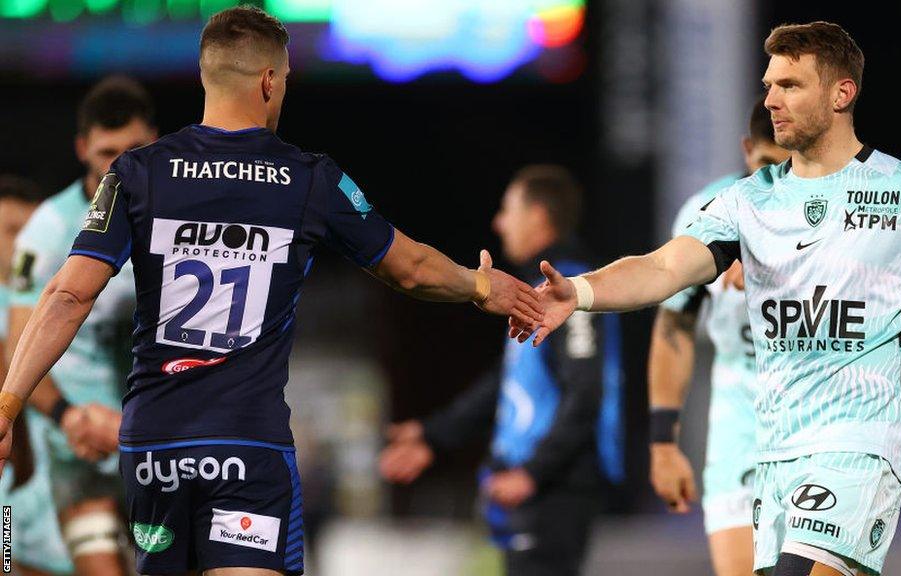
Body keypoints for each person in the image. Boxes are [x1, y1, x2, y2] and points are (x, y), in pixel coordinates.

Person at [0, 6, 543, 576]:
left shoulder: (136, 173)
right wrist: (482, 285)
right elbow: (409, 268)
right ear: (268, 80)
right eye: (283, 80)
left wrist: (8, 405)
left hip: (154, 448)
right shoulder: (309, 178)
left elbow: (66, 296)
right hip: (246, 444)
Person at [512, 21, 901, 576]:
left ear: (841, 94)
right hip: (773, 456)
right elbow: (661, 268)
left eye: (789, 85)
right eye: (768, 85)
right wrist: (580, 292)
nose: (770, 99)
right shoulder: (746, 203)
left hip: (857, 447)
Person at [380, 165, 622, 576]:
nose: (499, 222)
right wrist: (434, 435)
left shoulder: (571, 285)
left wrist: (534, 473)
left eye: (508, 209)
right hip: (524, 484)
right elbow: (505, 384)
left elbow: (586, 391)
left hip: (553, 486)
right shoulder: (537, 288)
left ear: (539, 215)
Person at [6, 77, 156, 576]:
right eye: (107, 152)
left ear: (155, 141)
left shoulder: (182, 223)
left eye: (134, 149)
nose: (121, 165)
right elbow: (17, 346)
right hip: (75, 450)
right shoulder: (49, 229)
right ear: (82, 150)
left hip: (158, 446)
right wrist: (69, 416)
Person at [647, 99, 788, 576]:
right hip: (740, 427)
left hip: (824, 426)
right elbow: (674, 325)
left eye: (789, 165)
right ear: (747, 151)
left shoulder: (840, 207)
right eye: (766, 164)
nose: (777, 181)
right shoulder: (707, 213)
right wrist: (663, 444)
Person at [0, 175, 74, 576]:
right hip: (11, 492)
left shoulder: (64, 311)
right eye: (12, 231)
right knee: (9, 562)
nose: (25, 244)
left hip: (63, 477)